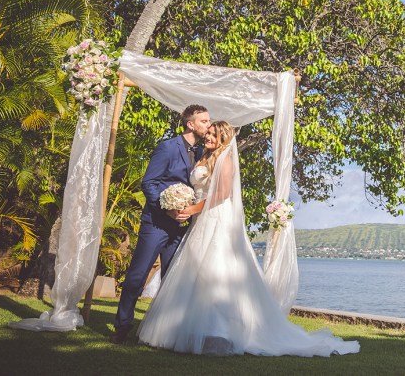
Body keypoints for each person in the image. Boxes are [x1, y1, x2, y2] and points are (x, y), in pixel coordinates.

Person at [136, 121, 360, 357]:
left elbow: (222, 195)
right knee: (195, 273)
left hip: (215, 218)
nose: (208, 136)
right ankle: (185, 328)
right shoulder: (203, 157)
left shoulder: (226, 160)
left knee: (215, 271)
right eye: (208, 132)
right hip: (199, 220)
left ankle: (219, 331)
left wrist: (191, 210)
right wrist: (181, 201)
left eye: (213, 134)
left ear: (224, 138)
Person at [111, 104, 211, 344]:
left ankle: (165, 331)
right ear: (191, 124)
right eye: (204, 121)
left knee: (172, 277)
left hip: (181, 227)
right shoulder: (167, 147)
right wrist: (168, 209)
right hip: (156, 223)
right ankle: (122, 327)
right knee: (138, 274)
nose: (208, 126)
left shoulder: (201, 153)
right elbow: (149, 183)